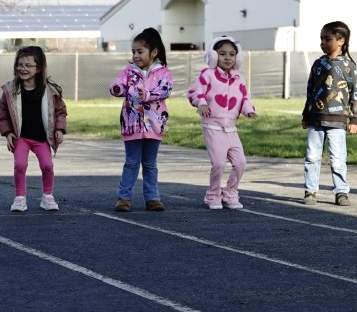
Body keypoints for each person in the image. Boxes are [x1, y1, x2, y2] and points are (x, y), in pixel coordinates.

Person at [187, 36, 258, 210]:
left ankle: (230, 192)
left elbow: (244, 98)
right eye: (222, 54)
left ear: (237, 57)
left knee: (240, 163)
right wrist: (201, 104)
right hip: (212, 127)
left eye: (232, 54)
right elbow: (194, 92)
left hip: (231, 129)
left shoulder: (239, 78)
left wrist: (248, 110)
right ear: (213, 56)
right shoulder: (207, 75)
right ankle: (213, 194)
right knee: (218, 163)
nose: (228, 58)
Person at [0, 46, 68, 212]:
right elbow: (3, 114)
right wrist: (7, 133)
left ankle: (47, 196)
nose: (23, 68)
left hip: (41, 138)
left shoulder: (51, 90)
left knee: (47, 165)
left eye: (28, 65)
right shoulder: (10, 91)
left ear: (39, 68)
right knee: (20, 165)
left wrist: (59, 129)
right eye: (20, 65)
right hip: (21, 137)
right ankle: (20, 197)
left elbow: (60, 112)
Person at [110, 27, 173, 212]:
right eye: (133, 52)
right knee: (131, 162)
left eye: (140, 51)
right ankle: (124, 197)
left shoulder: (163, 73)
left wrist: (146, 94)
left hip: (154, 124)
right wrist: (116, 88)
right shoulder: (128, 72)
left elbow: (165, 90)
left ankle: (153, 197)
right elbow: (119, 84)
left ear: (153, 52)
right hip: (132, 124)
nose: (136, 55)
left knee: (150, 164)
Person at [302, 21, 357, 206]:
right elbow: (310, 91)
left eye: (327, 39)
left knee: (337, 159)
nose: (322, 43)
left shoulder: (349, 66)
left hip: (338, 121)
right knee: (312, 157)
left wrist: (355, 118)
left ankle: (341, 191)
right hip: (316, 121)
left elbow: (355, 93)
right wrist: (306, 114)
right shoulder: (318, 64)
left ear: (341, 40)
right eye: (321, 39)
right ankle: (310, 191)